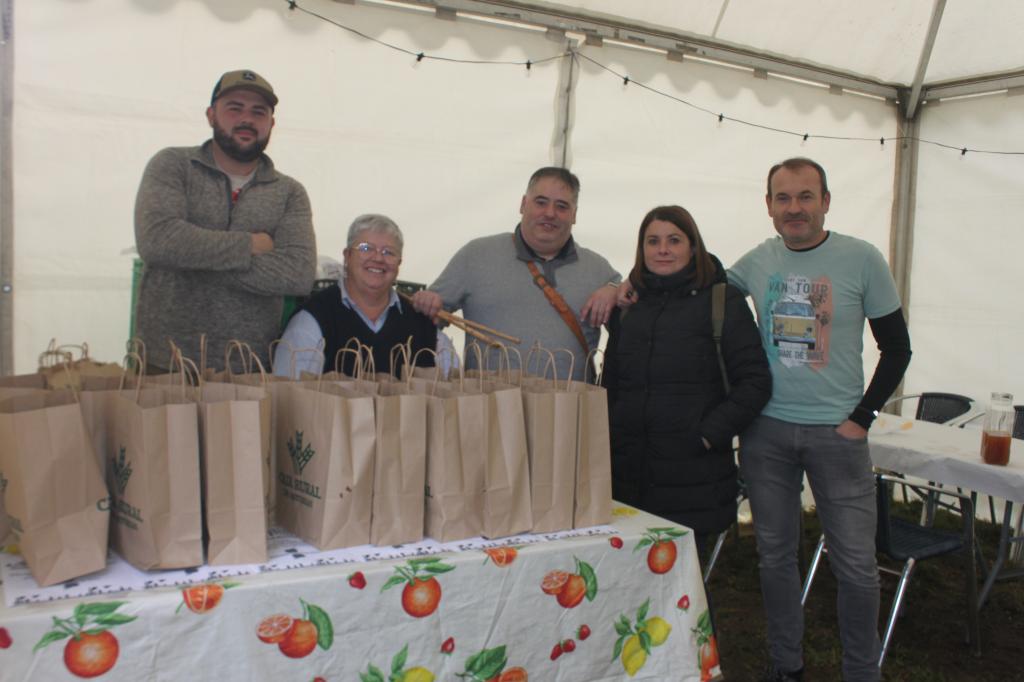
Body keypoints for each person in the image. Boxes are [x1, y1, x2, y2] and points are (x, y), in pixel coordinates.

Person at [728, 158, 912, 682]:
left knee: (855, 565)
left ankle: (861, 671)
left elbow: (896, 348)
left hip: (839, 438)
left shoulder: (862, 259)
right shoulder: (757, 261)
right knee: (775, 558)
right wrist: (624, 287)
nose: (794, 209)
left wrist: (863, 417)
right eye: (783, 199)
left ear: (826, 201)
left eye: (805, 197)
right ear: (768, 207)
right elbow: (699, 285)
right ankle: (786, 664)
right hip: (766, 433)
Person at [602, 205, 771, 559]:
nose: (663, 249)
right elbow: (613, 383)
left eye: (674, 240)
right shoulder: (629, 307)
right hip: (627, 476)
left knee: (683, 591)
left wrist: (708, 435)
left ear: (693, 247)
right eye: (653, 241)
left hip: (693, 477)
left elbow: (755, 382)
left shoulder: (722, 302)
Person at [134, 69, 316, 372]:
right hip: (162, 365)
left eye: (259, 112)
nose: (247, 119)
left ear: (271, 124)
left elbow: (297, 274)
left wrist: (190, 259)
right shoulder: (172, 166)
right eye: (234, 108)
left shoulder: (290, 193)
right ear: (210, 115)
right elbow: (157, 241)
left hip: (249, 369)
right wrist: (250, 245)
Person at [410, 167, 621, 381]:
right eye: (541, 202)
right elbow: (427, 322)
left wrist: (615, 289)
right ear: (523, 204)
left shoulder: (600, 270)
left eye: (562, 206)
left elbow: (634, 324)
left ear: (574, 214)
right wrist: (427, 305)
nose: (550, 213)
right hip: (487, 408)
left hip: (570, 409)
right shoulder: (476, 255)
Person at [273, 214, 440, 378]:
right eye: (366, 248)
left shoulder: (423, 322)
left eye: (389, 252)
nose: (378, 258)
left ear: (399, 263)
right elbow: (288, 393)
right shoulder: (311, 321)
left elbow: (454, 389)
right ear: (347, 256)